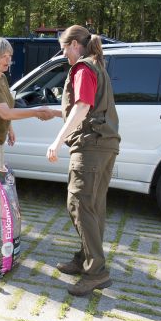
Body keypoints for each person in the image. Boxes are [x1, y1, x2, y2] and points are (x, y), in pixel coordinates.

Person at [46, 25, 121, 296]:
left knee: (79, 204)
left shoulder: (83, 68)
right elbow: (85, 107)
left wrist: (56, 141)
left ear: (76, 44)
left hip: (91, 147)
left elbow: (83, 107)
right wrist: (57, 114)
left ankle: (96, 273)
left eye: (65, 48)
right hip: (105, 145)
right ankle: (85, 259)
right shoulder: (96, 65)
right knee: (93, 206)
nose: (64, 53)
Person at [0, 37, 53, 186]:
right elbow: (5, 113)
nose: (8, 60)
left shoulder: (1, 77)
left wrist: (10, 128)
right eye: (3, 56)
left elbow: (7, 106)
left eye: (10, 56)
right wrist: (36, 112)